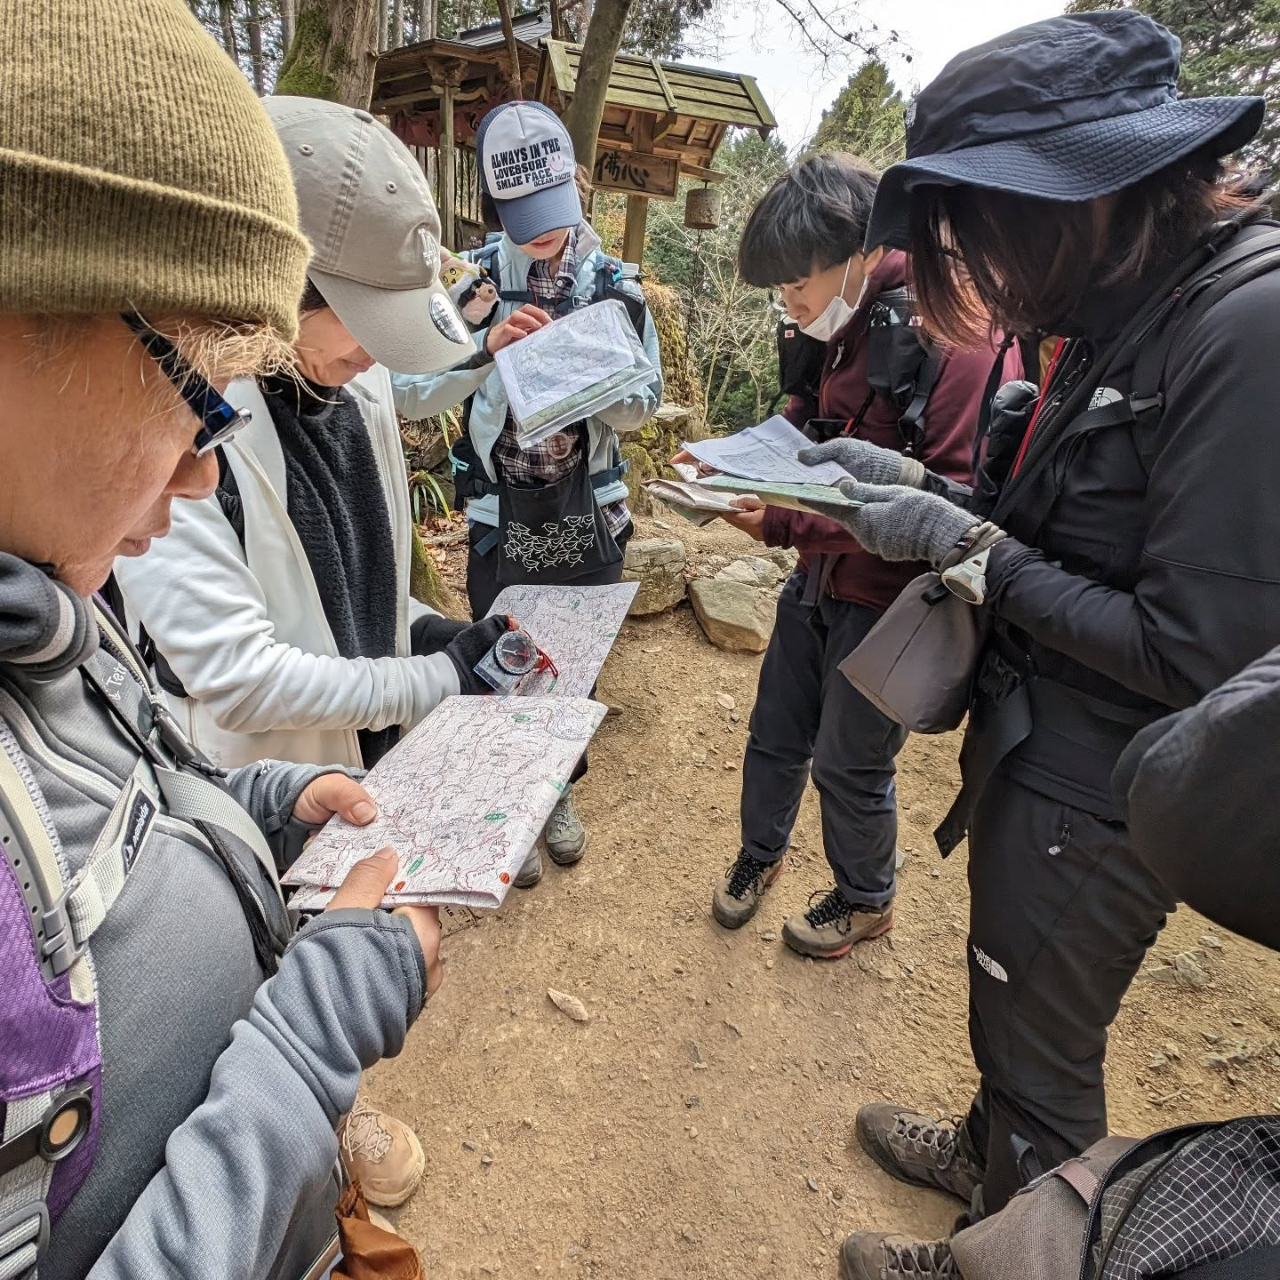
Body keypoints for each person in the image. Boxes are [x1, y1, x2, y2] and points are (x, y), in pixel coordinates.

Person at [799, 14, 1280, 1278]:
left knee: (1041, 1044)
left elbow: (1199, 657)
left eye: (981, 234)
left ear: (1074, 199)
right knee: (1002, 996)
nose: (979, 272)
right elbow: (1076, 522)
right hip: (1044, 745)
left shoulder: (1246, 324)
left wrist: (969, 552)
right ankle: (983, 1151)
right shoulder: (1135, 304)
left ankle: (1002, 1247)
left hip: (1107, 785)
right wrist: (908, 489)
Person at [0, 2, 444, 1275]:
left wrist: (252, 801)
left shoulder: (46, 591)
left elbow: (122, 769)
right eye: (198, 394)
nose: (202, 477)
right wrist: (306, 1047)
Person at [701, 153, 1019, 959]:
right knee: (777, 728)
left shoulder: (956, 329)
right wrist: (749, 460)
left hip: (892, 602)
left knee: (850, 762)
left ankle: (865, 896)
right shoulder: (842, 321)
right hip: (818, 577)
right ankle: (760, 854)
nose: (790, 305)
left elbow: (943, 506)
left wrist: (780, 522)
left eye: (795, 287)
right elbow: (811, 413)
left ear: (862, 252)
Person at [393, 100, 664, 870]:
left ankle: (558, 789)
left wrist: (582, 372)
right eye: (523, 217)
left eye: (554, 211)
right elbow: (409, 391)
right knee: (502, 654)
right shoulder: (474, 285)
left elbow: (644, 405)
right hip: (498, 509)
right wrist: (485, 349)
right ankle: (508, 793)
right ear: (494, 207)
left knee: (569, 666)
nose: (542, 231)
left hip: (590, 508)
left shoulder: (615, 286)